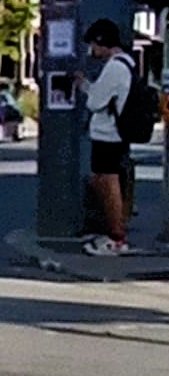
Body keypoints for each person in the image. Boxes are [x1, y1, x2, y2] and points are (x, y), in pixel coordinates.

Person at [82, 17, 136, 256]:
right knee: (102, 180)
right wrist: (87, 86)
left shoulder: (114, 68)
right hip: (117, 133)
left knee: (107, 182)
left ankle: (116, 237)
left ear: (102, 41)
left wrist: (86, 88)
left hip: (108, 134)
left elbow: (95, 102)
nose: (92, 50)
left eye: (94, 45)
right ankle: (116, 230)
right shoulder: (128, 63)